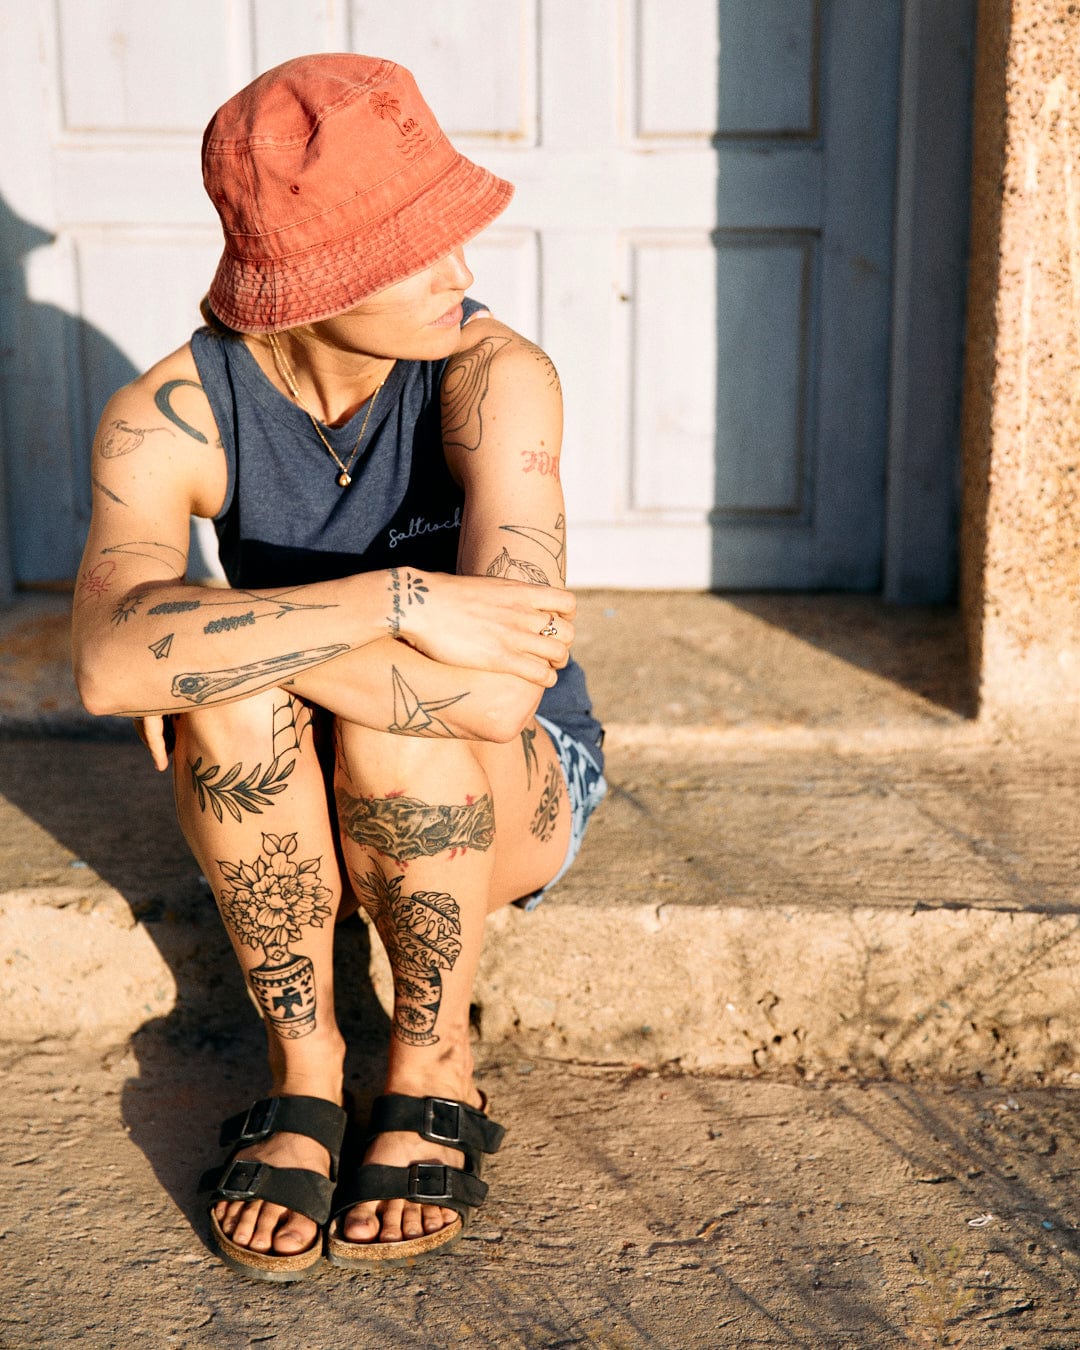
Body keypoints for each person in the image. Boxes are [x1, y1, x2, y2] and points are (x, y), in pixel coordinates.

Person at [71, 52, 606, 1283]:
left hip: (509, 775)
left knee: (329, 707)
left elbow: (497, 693)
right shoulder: (171, 414)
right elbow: (103, 670)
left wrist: (208, 640)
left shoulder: (495, 380)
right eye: (414, 250)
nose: (462, 272)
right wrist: (396, 601)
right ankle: (306, 1078)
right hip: (295, 761)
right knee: (250, 702)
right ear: (308, 287)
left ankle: (432, 1067)